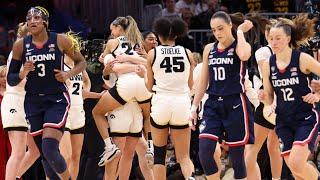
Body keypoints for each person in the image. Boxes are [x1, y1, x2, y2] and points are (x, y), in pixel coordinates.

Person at [7, 6, 86, 179]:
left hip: (56, 99)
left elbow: (81, 62)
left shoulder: (61, 40)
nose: (32, 21)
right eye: (29, 18)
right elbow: (11, 79)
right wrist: (22, 73)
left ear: (45, 22)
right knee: (45, 155)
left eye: (36, 18)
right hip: (33, 102)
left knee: (50, 148)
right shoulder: (21, 45)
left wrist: (68, 74)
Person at [190, 11, 254, 180]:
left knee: (237, 158)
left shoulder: (240, 45)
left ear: (229, 26)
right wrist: (194, 107)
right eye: (214, 30)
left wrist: (240, 32)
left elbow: (245, 55)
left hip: (235, 104)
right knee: (204, 152)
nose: (217, 33)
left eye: (220, 28)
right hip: (212, 104)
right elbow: (203, 81)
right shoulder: (209, 49)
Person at [261, 14, 320, 180]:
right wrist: (265, 101)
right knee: (296, 171)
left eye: (278, 38)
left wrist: (317, 94)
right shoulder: (268, 64)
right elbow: (269, 96)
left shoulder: (302, 59)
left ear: (288, 38)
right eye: (271, 38)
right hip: (283, 121)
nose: (274, 42)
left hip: (305, 118)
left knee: (296, 163)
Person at [141, 17, 196, 180]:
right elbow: (191, 83)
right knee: (184, 157)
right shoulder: (187, 53)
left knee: (159, 157)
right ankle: (191, 177)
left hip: (161, 103)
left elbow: (149, 87)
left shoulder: (152, 54)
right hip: (181, 102)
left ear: (159, 35)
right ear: (177, 35)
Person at [93, 16, 152, 166]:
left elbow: (111, 66)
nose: (111, 32)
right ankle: (151, 145)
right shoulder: (137, 43)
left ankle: (109, 146)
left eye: (112, 28)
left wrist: (104, 58)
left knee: (96, 112)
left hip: (126, 85)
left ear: (119, 28)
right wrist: (136, 64)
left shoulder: (112, 42)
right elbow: (148, 62)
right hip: (143, 82)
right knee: (147, 115)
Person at [245, 18, 283, 180]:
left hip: (270, 103)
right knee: (273, 147)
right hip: (280, 102)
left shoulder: (263, 52)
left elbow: (268, 75)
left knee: (252, 148)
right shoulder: (268, 52)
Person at [1, 22, 40, 180]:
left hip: (23, 104)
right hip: (14, 102)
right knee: (17, 152)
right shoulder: (19, 53)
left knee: (35, 150)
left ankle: (15, 176)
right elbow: (14, 80)